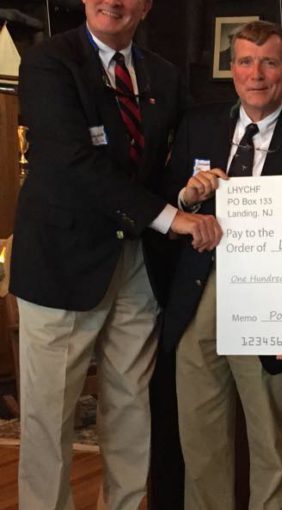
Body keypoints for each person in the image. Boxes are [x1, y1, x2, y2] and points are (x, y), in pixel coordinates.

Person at [11, 0, 221, 507]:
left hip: (137, 264)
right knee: (49, 416)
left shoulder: (164, 75)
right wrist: (171, 218)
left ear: (145, 6)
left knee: (132, 407)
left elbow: (197, 134)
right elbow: (71, 160)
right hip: (61, 262)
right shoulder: (48, 62)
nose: (113, 2)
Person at [160, 20, 282, 510]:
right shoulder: (198, 124)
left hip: (271, 304)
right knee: (200, 437)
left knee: (268, 438)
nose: (255, 74)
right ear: (233, 70)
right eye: (245, 61)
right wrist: (187, 198)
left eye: (268, 63)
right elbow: (167, 198)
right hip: (198, 291)